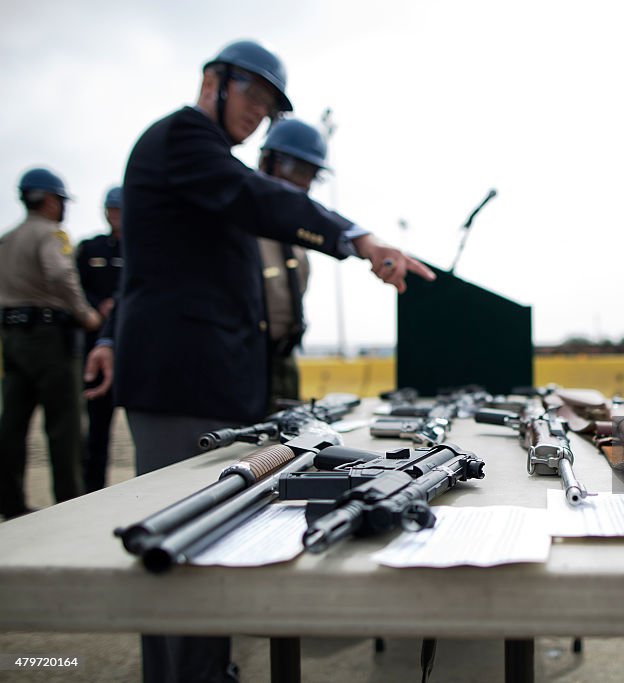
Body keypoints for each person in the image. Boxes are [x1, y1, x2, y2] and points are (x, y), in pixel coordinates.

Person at [81, 39, 432, 683]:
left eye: (269, 105)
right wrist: (356, 236)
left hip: (213, 379)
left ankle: (205, 668)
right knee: (181, 540)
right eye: (253, 94)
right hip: (182, 378)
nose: (259, 111)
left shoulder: (211, 165)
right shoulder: (183, 139)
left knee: (210, 535)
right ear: (213, 80)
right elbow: (261, 200)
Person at [0, 168, 102, 519]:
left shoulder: (7, 239)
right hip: (50, 340)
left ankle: (10, 505)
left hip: (10, 339)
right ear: (48, 199)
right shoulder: (52, 234)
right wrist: (86, 314)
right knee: (65, 428)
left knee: (12, 425)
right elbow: (60, 274)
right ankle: (70, 509)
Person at [255, 118, 324, 411]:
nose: (303, 182)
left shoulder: (296, 235)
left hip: (285, 357)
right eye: (296, 169)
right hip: (247, 363)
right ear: (266, 162)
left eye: (311, 174)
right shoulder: (242, 226)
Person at [75, 186, 123, 492]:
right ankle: (94, 490)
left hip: (131, 347)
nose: (116, 215)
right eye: (111, 209)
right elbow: (75, 289)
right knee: (97, 431)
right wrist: (98, 306)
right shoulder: (91, 249)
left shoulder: (142, 249)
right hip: (98, 346)